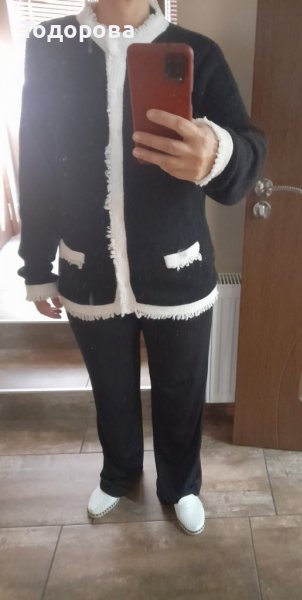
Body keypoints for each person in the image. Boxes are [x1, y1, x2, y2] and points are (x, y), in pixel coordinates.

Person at [17, 0, 266, 535]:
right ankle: (119, 472)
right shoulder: (50, 45)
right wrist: (35, 264)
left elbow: (250, 152)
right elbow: (36, 161)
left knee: (181, 391)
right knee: (110, 390)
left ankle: (181, 485)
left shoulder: (197, 53)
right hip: (89, 270)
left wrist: (217, 155)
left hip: (179, 270)